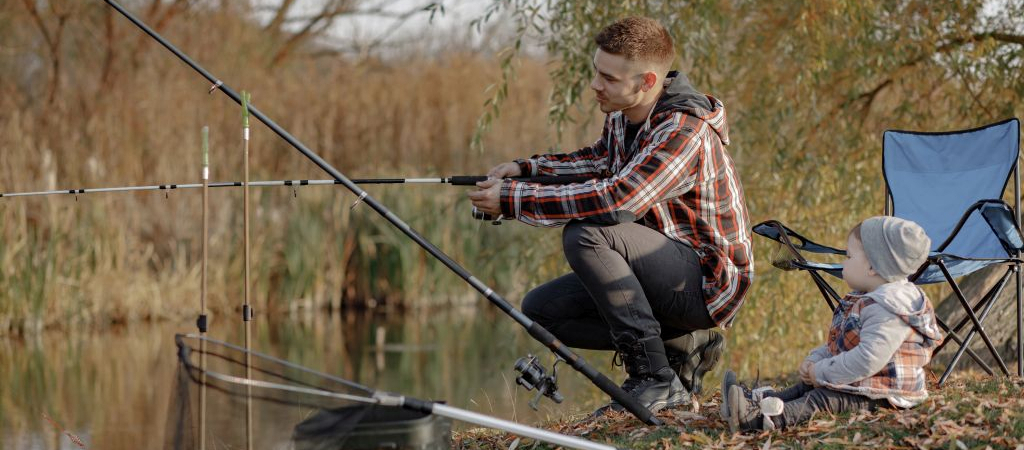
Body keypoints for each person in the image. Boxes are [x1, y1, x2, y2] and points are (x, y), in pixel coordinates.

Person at [468, 16, 753, 415]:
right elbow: (599, 162)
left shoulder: (683, 130)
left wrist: (514, 200)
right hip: (661, 268)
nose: (595, 85)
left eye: (609, 78)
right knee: (541, 310)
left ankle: (654, 378)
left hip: (707, 282)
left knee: (586, 232)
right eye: (596, 72)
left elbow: (618, 199)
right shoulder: (625, 116)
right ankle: (677, 348)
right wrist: (527, 169)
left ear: (647, 82)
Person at [722, 216, 944, 432]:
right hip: (867, 383)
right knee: (807, 386)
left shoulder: (888, 308)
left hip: (887, 394)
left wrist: (821, 371)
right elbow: (841, 343)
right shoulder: (867, 298)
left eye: (848, 257)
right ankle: (758, 402)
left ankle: (763, 420)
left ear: (873, 268)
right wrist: (816, 359)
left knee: (820, 398)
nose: (843, 263)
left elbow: (867, 360)